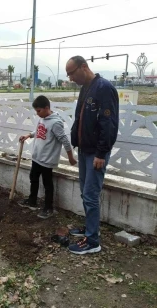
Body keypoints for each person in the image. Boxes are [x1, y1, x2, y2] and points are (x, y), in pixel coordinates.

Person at [65, 56, 119, 255]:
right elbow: (80, 117)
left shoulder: (104, 88)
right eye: (68, 74)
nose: (70, 78)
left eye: (72, 73)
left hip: (96, 153)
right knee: (84, 193)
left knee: (90, 195)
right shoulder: (85, 88)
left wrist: (101, 153)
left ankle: (93, 240)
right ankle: (89, 229)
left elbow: (109, 123)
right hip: (84, 149)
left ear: (84, 67)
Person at [19, 95, 77, 218]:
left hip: (47, 159)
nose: (37, 113)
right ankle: (32, 201)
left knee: (47, 184)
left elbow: (64, 140)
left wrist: (70, 157)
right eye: (36, 111)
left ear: (46, 108)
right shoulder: (43, 118)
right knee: (33, 178)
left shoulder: (56, 123)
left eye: (39, 110)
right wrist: (29, 135)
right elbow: (40, 130)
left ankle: (48, 208)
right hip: (37, 157)